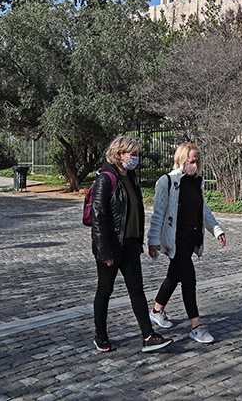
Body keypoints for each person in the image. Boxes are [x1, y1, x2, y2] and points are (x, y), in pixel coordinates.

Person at [90, 135, 172, 353]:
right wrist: (104, 251)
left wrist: (140, 242)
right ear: (119, 154)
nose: (136, 158)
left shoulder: (132, 178)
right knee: (104, 290)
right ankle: (100, 335)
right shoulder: (105, 179)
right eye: (132, 154)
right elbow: (98, 217)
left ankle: (147, 335)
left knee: (137, 291)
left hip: (130, 245)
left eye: (137, 154)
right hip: (111, 246)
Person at [147, 142, 227, 344]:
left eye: (197, 161)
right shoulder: (167, 181)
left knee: (174, 276)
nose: (195, 164)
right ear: (181, 160)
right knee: (189, 279)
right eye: (191, 161)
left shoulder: (196, 182)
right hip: (176, 239)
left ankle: (156, 310)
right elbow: (158, 214)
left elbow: (203, 210)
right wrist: (153, 240)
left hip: (191, 238)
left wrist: (216, 230)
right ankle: (196, 326)